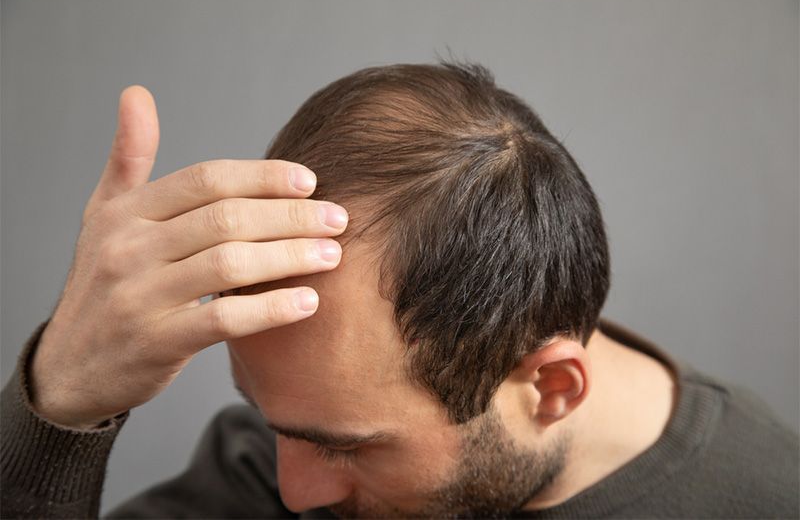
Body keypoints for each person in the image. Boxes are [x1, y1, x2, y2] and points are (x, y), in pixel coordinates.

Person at [1, 60, 797, 520]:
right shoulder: (256, 473)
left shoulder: (765, 498)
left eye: (346, 445)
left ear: (551, 387)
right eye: (268, 416)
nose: (295, 491)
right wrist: (60, 406)